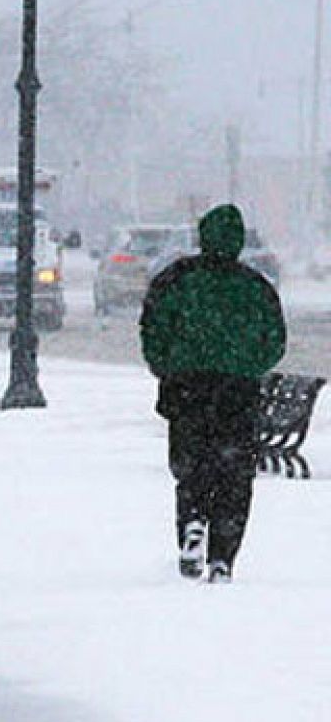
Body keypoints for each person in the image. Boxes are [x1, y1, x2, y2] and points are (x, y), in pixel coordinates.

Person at [139, 204, 285, 582]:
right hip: (237, 393)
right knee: (234, 476)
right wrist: (248, 366)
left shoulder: (176, 279)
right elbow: (275, 341)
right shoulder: (256, 287)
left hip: (188, 390)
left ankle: (193, 523)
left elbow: (153, 328)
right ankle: (223, 555)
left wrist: (167, 366)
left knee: (192, 470)